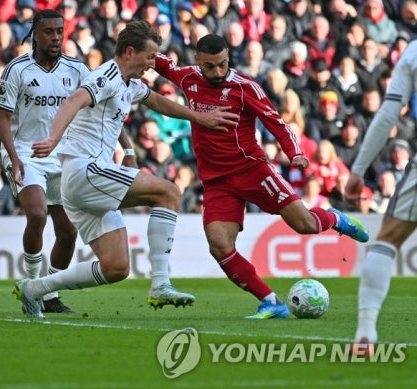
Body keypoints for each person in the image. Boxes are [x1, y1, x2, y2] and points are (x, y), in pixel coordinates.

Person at [17, 20, 238, 318]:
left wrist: (199, 118)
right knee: (169, 192)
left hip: (85, 183)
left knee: (116, 267)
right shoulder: (106, 75)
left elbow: (157, 102)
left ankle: (35, 288)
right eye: (150, 57)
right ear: (130, 52)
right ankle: (160, 284)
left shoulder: (130, 83)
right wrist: (53, 138)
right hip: (86, 170)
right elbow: (74, 100)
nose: (152, 64)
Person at [154, 34, 370, 319]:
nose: (217, 72)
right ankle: (271, 302)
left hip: (252, 170)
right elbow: (159, 62)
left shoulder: (246, 88)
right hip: (217, 181)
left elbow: (276, 122)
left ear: (228, 57)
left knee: (305, 224)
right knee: (219, 245)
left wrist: (294, 152)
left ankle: (335, 219)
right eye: (210, 66)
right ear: (197, 61)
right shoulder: (187, 78)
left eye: (222, 64)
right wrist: (136, 50)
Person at [0, 9, 90, 313]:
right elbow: (3, 117)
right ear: (35, 34)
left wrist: (125, 148)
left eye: (60, 31)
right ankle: (32, 288)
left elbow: (101, 107)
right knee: (37, 214)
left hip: (63, 155)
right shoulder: (17, 69)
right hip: (26, 152)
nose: (56, 38)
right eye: (49, 32)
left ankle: (49, 295)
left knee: (68, 232)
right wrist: (13, 157)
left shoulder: (77, 69)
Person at [344, 39, 417, 353]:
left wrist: (358, 170)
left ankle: (365, 334)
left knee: (387, 240)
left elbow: (388, 115)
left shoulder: (413, 52)